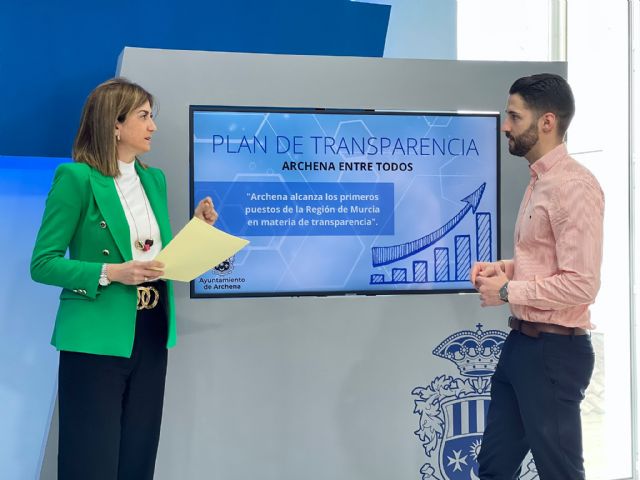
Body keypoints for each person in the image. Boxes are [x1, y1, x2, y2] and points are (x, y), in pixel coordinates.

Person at [30, 78, 218, 480]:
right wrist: (110, 272)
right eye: (144, 116)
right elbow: (42, 264)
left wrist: (197, 231)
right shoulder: (76, 179)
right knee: (91, 460)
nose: (153, 126)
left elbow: (155, 256)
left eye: (152, 116)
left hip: (151, 330)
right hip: (96, 336)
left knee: (138, 457)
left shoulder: (154, 180)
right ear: (114, 124)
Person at [470, 73, 604, 479]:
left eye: (514, 116)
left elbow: (582, 283)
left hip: (554, 352)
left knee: (560, 473)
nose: (505, 126)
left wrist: (508, 291)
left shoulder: (574, 186)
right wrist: (505, 270)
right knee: (494, 468)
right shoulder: (540, 182)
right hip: (522, 346)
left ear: (547, 122)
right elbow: (547, 261)